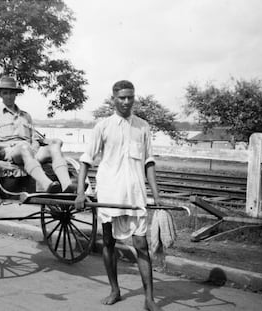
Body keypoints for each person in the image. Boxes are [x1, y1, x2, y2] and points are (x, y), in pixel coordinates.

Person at [75, 80, 163, 310]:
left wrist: (156, 194)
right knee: (109, 242)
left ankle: (149, 299)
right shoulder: (103, 127)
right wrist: (80, 193)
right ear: (113, 99)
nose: (126, 102)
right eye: (122, 97)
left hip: (135, 193)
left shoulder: (143, 127)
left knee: (141, 244)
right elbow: (86, 160)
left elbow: (149, 162)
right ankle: (115, 289)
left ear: (134, 98)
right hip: (109, 191)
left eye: (130, 97)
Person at [0, 76, 75, 194]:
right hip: (10, 152)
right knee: (23, 147)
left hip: (29, 150)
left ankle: (67, 184)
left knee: (56, 144)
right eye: (5, 93)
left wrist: (35, 146)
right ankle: (48, 185)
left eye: (12, 93)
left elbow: (34, 137)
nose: (9, 96)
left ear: (16, 94)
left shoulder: (26, 116)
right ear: (0, 95)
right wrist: (9, 144)